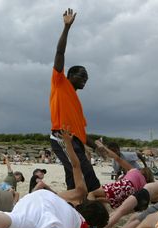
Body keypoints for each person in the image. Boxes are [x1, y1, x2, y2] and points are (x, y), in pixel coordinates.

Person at [49, 8, 101, 193]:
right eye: (82, 76)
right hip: (61, 136)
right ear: (70, 75)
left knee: (78, 176)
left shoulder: (76, 104)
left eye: (87, 77)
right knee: (85, 175)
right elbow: (60, 53)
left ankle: (74, 206)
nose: (85, 79)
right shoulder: (60, 83)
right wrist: (66, 28)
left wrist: (97, 146)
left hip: (74, 140)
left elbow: (82, 134)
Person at [101, 162, 158, 228]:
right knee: (132, 218)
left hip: (143, 194)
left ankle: (104, 226)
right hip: (145, 204)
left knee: (119, 212)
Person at [87, 140, 154, 210]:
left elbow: (118, 158)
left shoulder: (135, 169)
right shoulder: (144, 185)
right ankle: (98, 210)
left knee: (92, 193)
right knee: (99, 198)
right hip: (129, 194)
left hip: (125, 185)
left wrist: (103, 146)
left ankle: (91, 213)